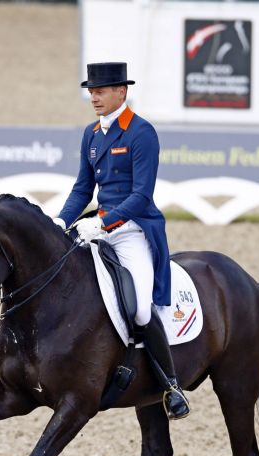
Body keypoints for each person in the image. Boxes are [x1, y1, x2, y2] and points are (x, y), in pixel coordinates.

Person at [53, 61, 190, 420]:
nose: (94, 97)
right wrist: (59, 221)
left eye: (100, 91)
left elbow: (142, 195)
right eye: (91, 92)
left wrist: (103, 223)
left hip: (132, 230)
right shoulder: (91, 134)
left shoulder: (140, 133)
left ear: (121, 92)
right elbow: (83, 188)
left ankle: (171, 385)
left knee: (142, 309)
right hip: (96, 226)